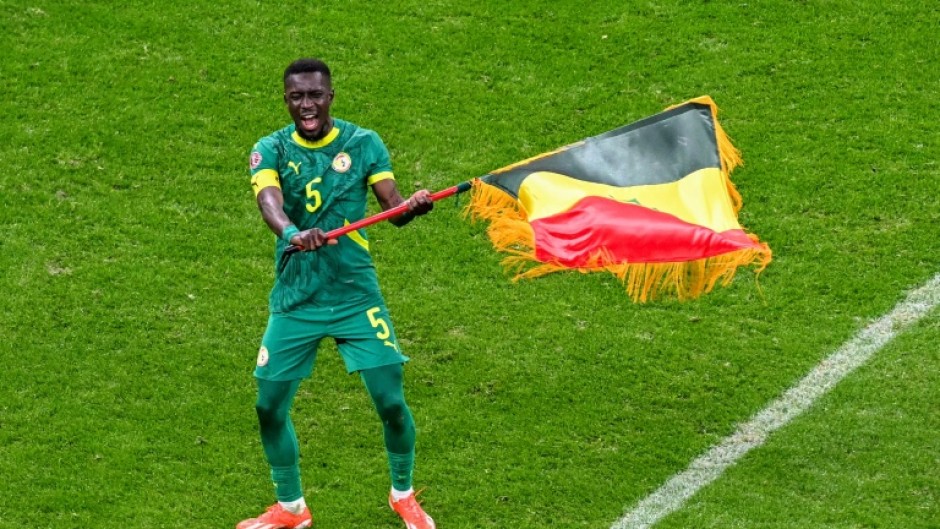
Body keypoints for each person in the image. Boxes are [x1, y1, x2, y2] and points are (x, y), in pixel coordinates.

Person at [238, 58, 436, 529]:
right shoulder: (269, 149)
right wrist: (291, 233)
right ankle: (292, 509)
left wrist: (413, 206)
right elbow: (269, 201)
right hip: (297, 299)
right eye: (296, 97)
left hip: (354, 297)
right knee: (268, 407)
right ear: (286, 99)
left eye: (315, 95)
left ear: (331, 95)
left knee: (390, 401)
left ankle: (403, 495)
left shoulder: (362, 144)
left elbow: (392, 207)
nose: (306, 105)